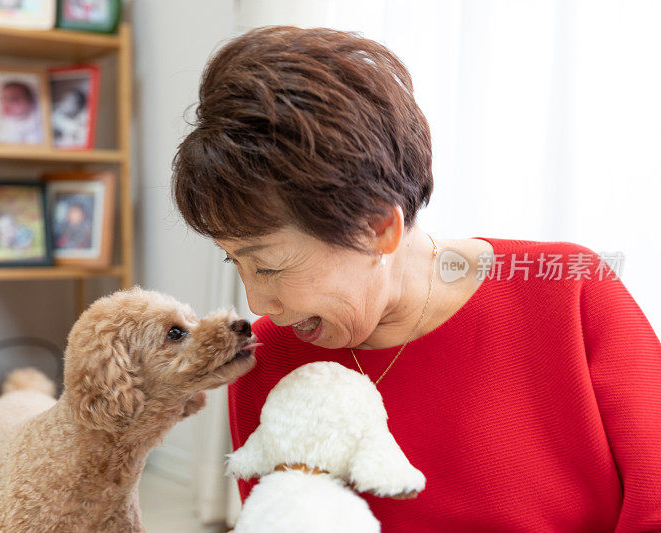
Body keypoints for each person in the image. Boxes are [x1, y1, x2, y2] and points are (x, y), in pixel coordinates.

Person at [171, 26, 661, 532]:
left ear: (378, 227)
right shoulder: (268, 360)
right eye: (235, 262)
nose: (256, 303)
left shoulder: (571, 291)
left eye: (269, 265)